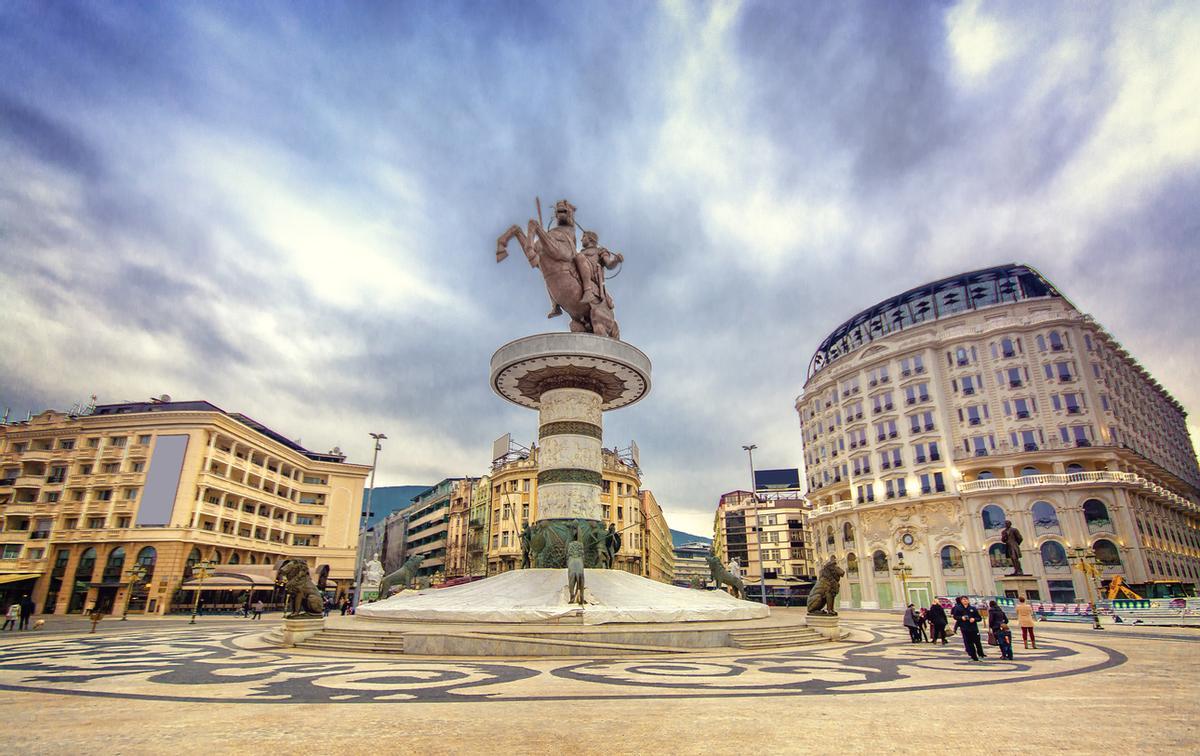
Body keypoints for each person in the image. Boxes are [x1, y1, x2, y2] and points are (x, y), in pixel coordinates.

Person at [951, 596, 987, 661]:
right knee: (969, 643)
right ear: (961, 601)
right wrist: (961, 618)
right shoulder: (958, 608)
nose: (965, 601)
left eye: (966, 599)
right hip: (964, 628)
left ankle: (981, 653)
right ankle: (973, 656)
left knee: (977, 642)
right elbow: (955, 616)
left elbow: (979, 618)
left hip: (973, 628)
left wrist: (974, 619)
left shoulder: (972, 608)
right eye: (963, 599)